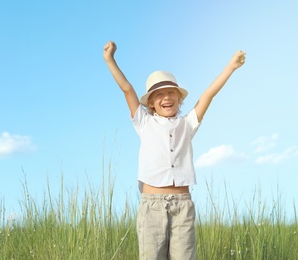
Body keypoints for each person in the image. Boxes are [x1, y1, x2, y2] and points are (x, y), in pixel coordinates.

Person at [103, 41, 246, 260]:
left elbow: (208, 95)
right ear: (150, 103)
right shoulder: (144, 122)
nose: (166, 98)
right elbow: (127, 89)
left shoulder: (187, 124)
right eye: (159, 95)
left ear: (179, 99)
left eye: (171, 93)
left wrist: (231, 67)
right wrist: (110, 60)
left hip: (182, 206)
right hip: (152, 206)